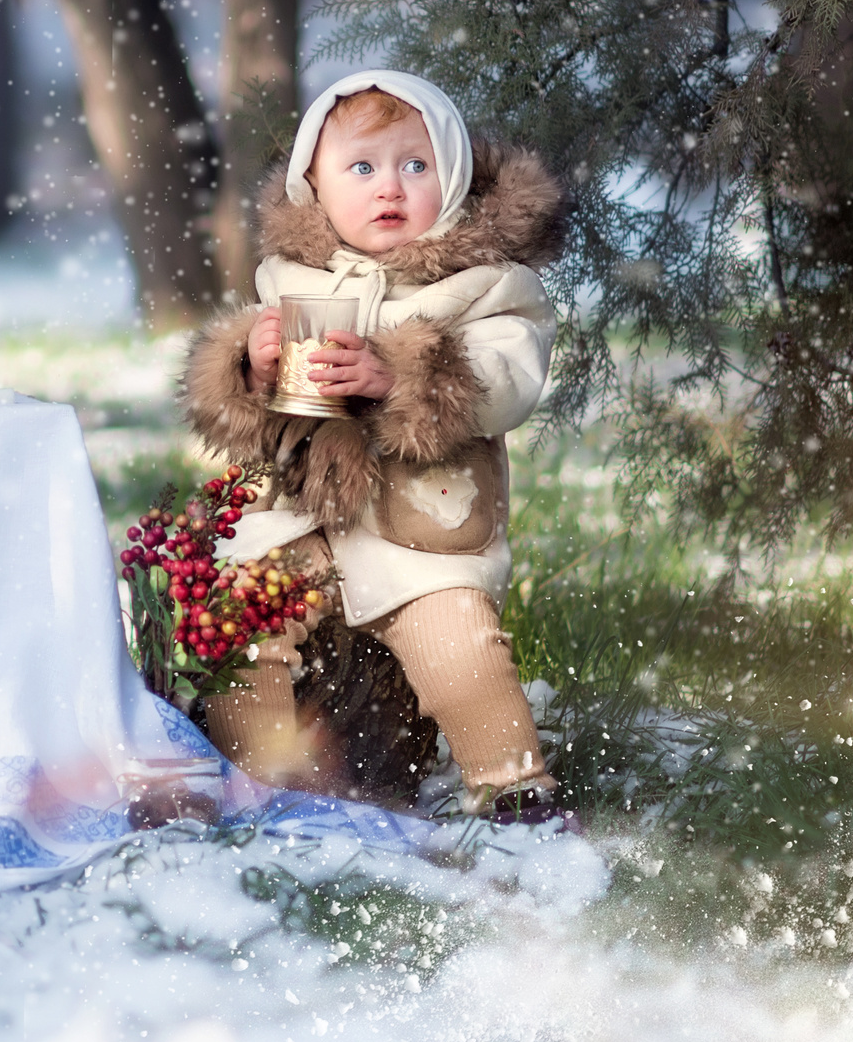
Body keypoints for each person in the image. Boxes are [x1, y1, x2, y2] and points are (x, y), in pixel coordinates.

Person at [179, 69, 568, 820]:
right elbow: (250, 417)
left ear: (451, 179)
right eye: (361, 167)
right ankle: (251, 781)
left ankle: (516, 790)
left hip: (418, 525)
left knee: (460, 645)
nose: (389, 187)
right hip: (299, 518)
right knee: (244, 623)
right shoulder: (289, 276)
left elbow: (509, 375)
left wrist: (399, 374)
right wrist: (251, 366)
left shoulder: (487, 284)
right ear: (314, 188)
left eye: (415, 165)